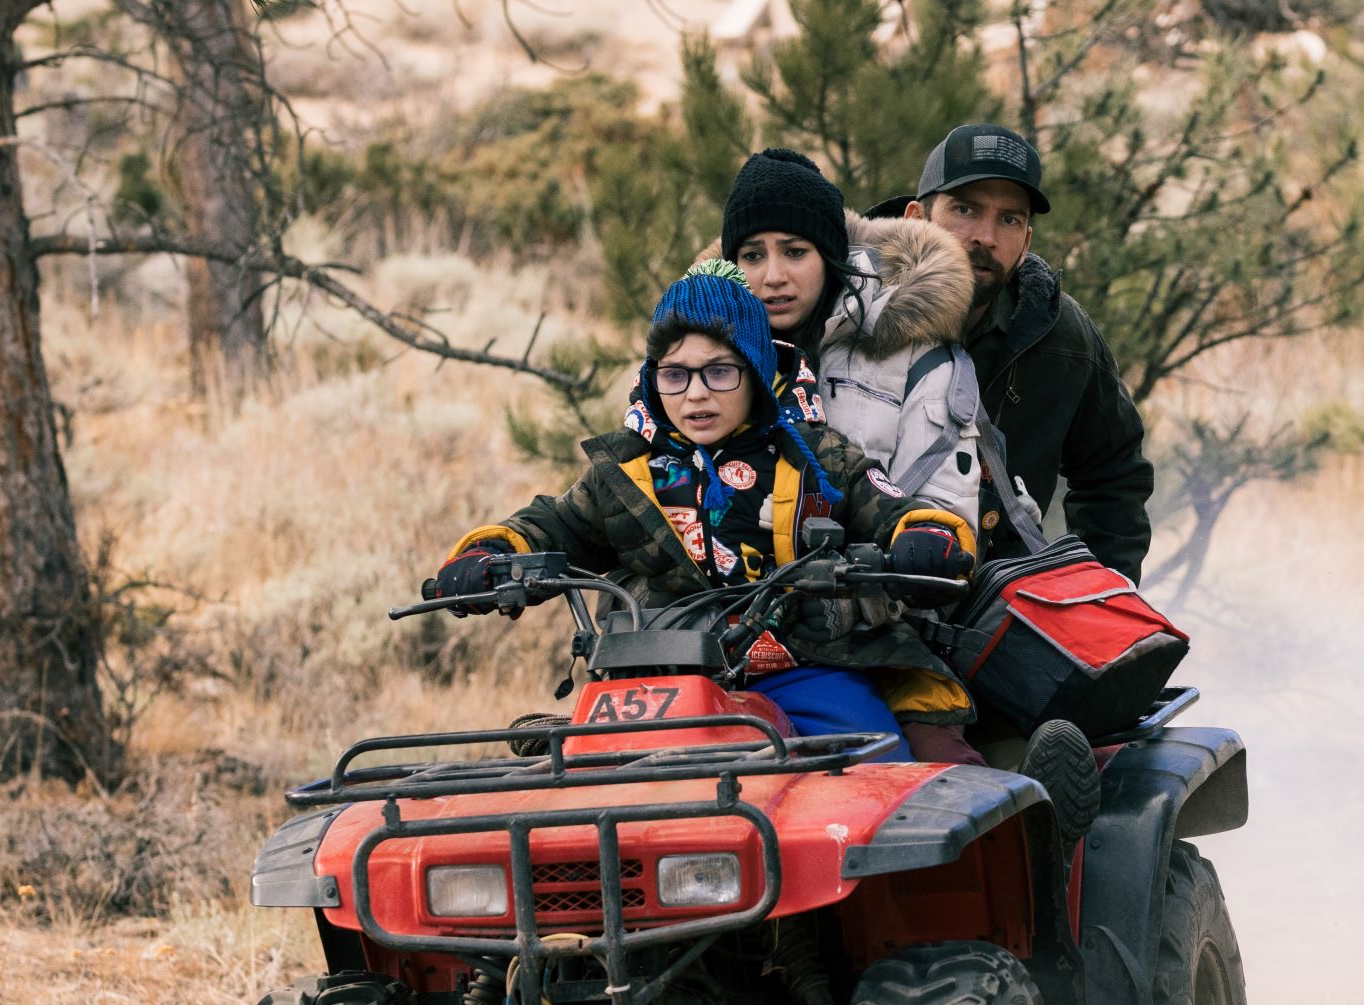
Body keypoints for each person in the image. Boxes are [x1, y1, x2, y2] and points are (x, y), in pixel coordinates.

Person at [426, 262, 974, 761]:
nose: (695, 394)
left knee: (879, 771)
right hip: (653, 681)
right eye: (675, 374)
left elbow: (888, 507)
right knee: (584, 806)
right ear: (654, 378)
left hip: (799, 667)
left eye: (719, 372)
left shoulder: (814, 455)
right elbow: (554, 524)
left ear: (756, 372)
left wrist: (927, 537)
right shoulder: (626, 472)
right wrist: (491, 553)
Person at [877, 123, 1158, 581]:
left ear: (1026, 242)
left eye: (1009, 219)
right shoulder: (847, 313)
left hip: (996, 603)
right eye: (965, 209)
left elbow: (1114, 473)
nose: (985, 237)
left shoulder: (1059, 335)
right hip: (850, 596)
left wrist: (1099, 591)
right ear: (915, 219)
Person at [719, 149, 982, 587]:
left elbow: (945, 514)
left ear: (829, 256)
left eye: (795, 251)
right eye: (752, 255)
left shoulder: (916, 353)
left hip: (866, 617)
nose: (773, 276)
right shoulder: (697, 358)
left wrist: (921, 544)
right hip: (719, 618)